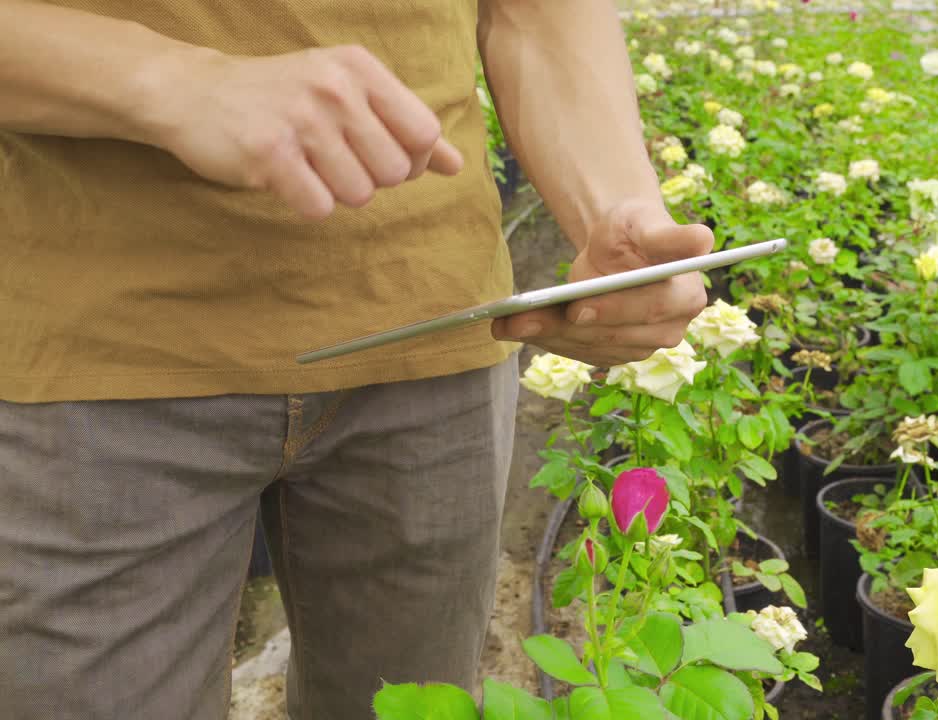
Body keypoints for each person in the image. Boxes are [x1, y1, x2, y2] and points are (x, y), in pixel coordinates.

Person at [0, 1, 713, 718]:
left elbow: (535, 14)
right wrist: (172, 81)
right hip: (96, 354)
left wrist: (620, 217)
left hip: (433, 342)